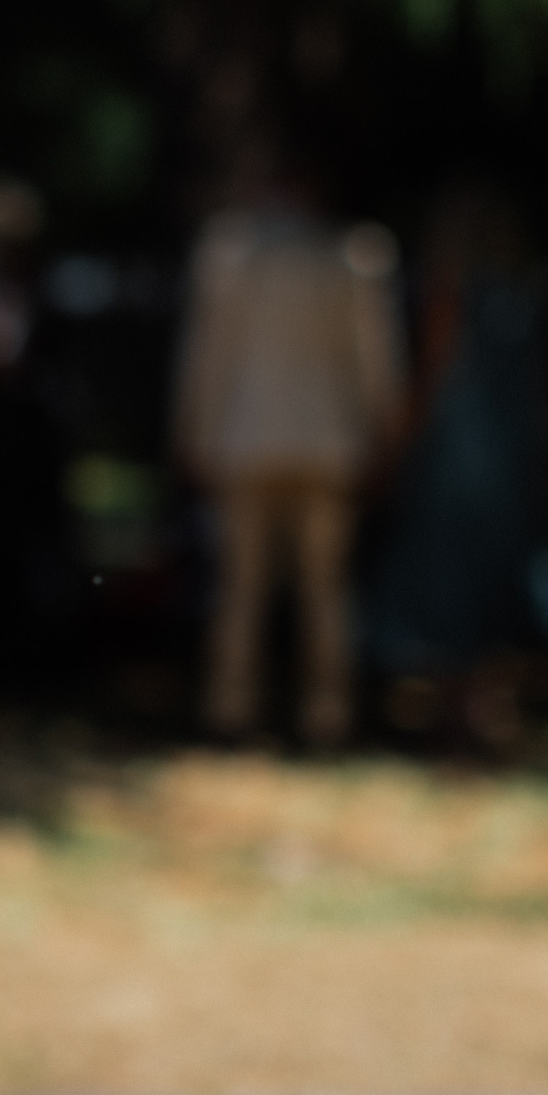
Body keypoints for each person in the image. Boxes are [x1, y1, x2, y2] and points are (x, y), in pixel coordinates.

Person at [173, 156, 404, 747]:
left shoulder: (231, 252)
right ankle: (326, 715)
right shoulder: (354, 256)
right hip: (329, 444)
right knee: (324, 589)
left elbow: (207, 355)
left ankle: (230, 709)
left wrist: (194, 432)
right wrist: (382, 435)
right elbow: (374, 361)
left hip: (245, 439)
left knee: (241, 587)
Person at [364, 186, 545, 744]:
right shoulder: (524, 296)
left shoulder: (451, 292)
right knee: (491, 577)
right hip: (509, 458)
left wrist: (395, 448)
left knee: (449, 579)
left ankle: (456, 710)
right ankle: (484, 705)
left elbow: (432, 373)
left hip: (456, 455)